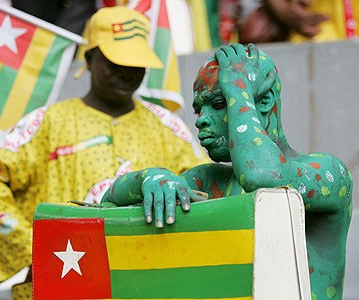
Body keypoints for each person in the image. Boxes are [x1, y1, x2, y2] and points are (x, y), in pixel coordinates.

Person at [0, 6, 209, 299]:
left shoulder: (168, 126)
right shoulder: (47, 123)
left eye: (136, 63)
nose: (126, 72)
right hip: (63, 286)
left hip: (146, 285)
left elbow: (204, 192)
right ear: (90, 58)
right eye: (115, 61)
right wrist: (35, 252)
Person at [102, 43, 353, 299]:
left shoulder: (329, 171)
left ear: (264, 101)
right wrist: (149, 178)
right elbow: (106, 203)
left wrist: (238, 88)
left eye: (220, 103)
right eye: (198, 108)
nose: (201, 119)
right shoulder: (210, 179)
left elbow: (264, 177)